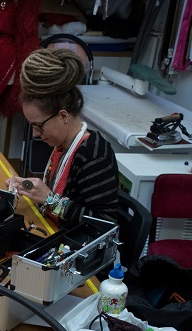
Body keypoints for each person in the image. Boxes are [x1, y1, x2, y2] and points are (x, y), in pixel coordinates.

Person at [8, 48, 118, 226]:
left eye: (39, 126)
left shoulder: (94, 153)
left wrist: (50, 200)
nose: (36, 134)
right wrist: (31, 189)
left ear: (63, 116)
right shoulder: (62, 145)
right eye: (32, 127)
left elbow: (104, 224)